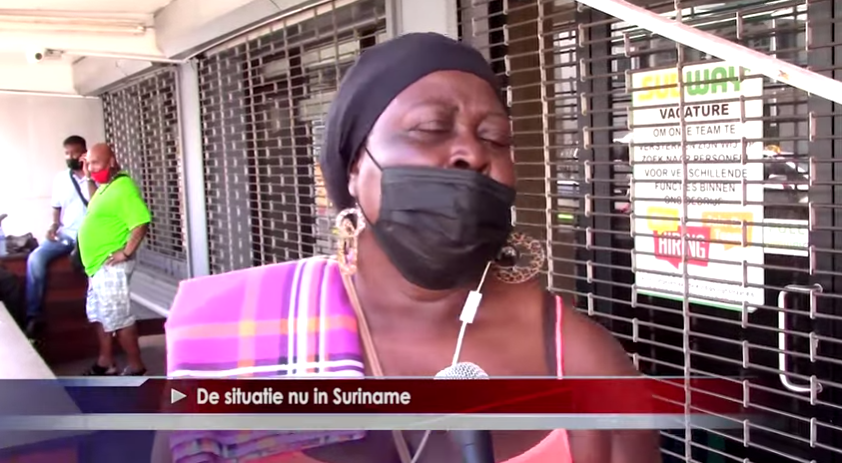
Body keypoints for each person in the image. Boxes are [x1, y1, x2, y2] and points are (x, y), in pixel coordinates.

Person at [158, 33, 661, 463]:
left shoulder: (582, 359)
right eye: (430, 129)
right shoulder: (227, 333)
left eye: (496, 138)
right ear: (354, 167)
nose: (472, 153)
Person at [77, 143, 150, 376]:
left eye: (96, 163)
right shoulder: (105, 187)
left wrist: (126, 252)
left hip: (111, 267)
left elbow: (141, 222)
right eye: (88, 163)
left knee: (120, 319)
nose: (91, 167)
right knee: (101, 316)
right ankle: (106, 361)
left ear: (111, 161)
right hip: (98, 266)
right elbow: (95, 205)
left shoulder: (123, 188)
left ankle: (136, 366)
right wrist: (89, 177)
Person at [24, 135, 90, 336]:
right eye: (67, 153)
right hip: (66, 235)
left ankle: (94, 318)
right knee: (35, 258)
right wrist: (53, 225)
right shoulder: (61, 178)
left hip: (90, 237)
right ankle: (34, 316)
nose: (70, 157)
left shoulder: (96, 177)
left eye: (75, 153)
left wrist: (89, 175)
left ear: (84, 153)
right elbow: (57, 207)